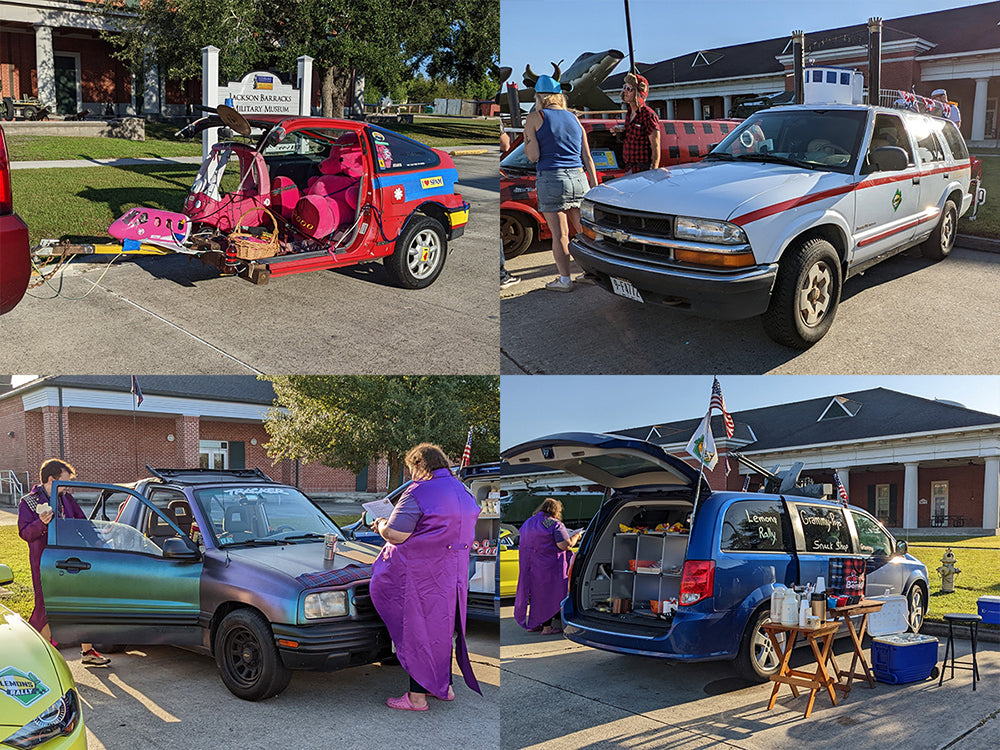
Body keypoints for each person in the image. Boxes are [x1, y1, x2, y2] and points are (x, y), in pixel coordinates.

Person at [369, 443, 482, 711]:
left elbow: (396, 535)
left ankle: (416, 698)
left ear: (420, 465)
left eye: (411, 469)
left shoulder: (418, 491)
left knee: (417, 632)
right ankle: (444, 688)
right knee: (444, 631)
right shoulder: (463, 491)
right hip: (453, 576)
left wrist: (381, 525)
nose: (411, 475)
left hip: (421, 575)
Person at [18, 459, 111, 666]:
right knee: (47, 609)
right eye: (64, 482)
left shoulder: (66, 498)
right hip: (46, 564)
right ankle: (38, 657)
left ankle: (87, 651)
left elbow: (83, 525)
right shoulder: (29, 502)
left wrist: (102, 544)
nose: (67, 487)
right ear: (51, 480)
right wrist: (41, 523)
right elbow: (25, 533)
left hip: (72, 561)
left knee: (80, 602)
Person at [523, 74, 598, 293]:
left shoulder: (536, 117)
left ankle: (565, 280)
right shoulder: (574, 118)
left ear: (539, 97)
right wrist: (594, 187)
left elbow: (534, 156)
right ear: (558, 96)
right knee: (584, 232)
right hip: (579, 178)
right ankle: (591, 273)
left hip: (552, 178)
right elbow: (588, 157)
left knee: (560, 235)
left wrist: (529, 140)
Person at [514, 498, 582, 636]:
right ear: (556, 511)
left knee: (535, 595)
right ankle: (547, 628)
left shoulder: (529, 522)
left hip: (529, 565)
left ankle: (533, 624)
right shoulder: (553, 523)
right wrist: (576, 536)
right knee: (549, 595)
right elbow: (565, 545)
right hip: (549, 566)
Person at [618, 72, 661, 174]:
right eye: (625, 87)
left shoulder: (648, 115)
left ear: (638, 93)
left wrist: (653, 170)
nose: (625, 91)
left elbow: (656, 146)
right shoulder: (629, 113)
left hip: (643, 170)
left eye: (629, 89)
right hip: (629, 168)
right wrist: (621, 131)